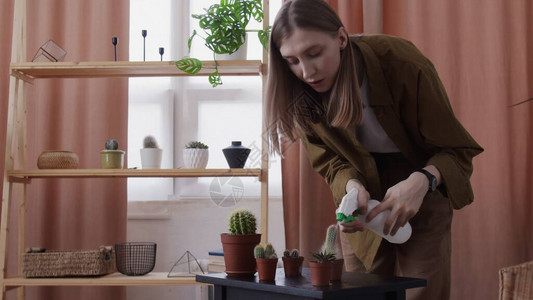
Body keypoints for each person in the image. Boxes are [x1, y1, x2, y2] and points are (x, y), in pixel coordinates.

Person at [265, 0, 483, 299]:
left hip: (423, 187)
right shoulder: (301, 93)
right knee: (361, 291)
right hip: (362, 200)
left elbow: (456, 150)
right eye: (292, 61)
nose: (306, 71)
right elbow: (330, 162)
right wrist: (351, 188)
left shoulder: (402, 63)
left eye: (314, 53)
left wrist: (422, 182)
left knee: (423, 293)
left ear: (341, 39)